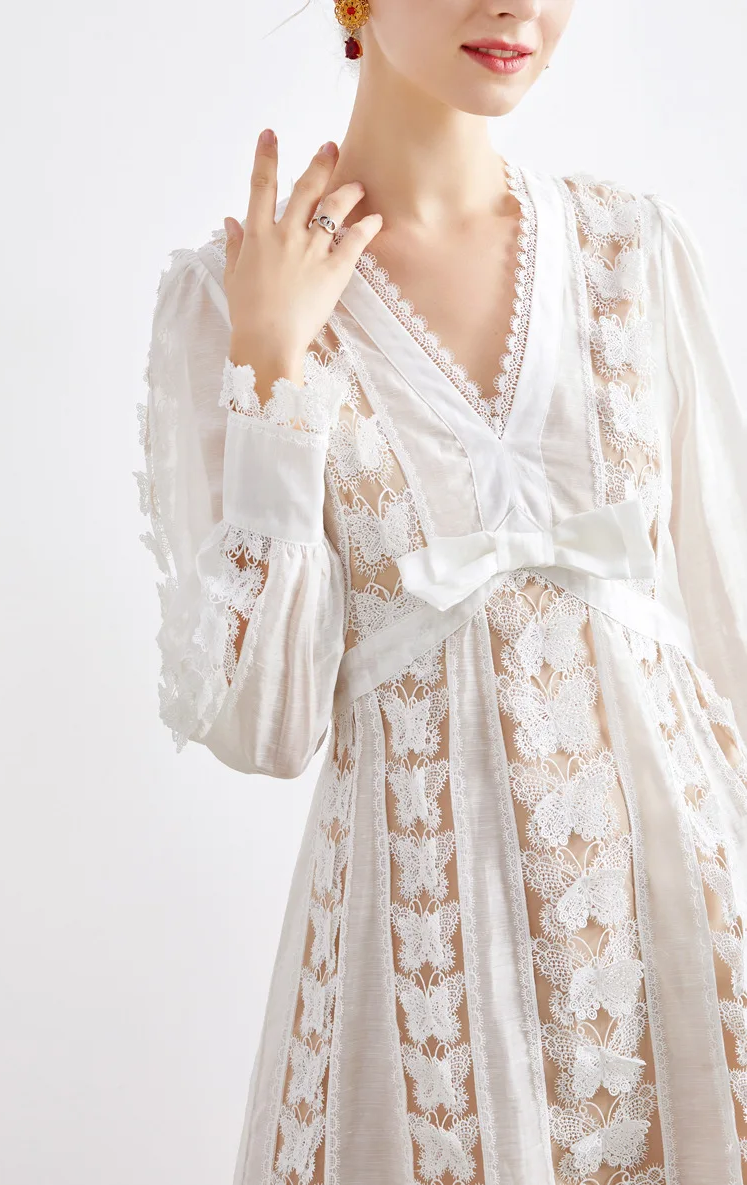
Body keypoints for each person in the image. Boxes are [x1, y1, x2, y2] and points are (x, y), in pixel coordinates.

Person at [135, 1, 747, 1181]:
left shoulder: (633, 254)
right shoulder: (233, 306)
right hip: (430, 1007)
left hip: (693, 958)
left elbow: (732, 631)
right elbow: (265, 727)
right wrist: (273, 374)